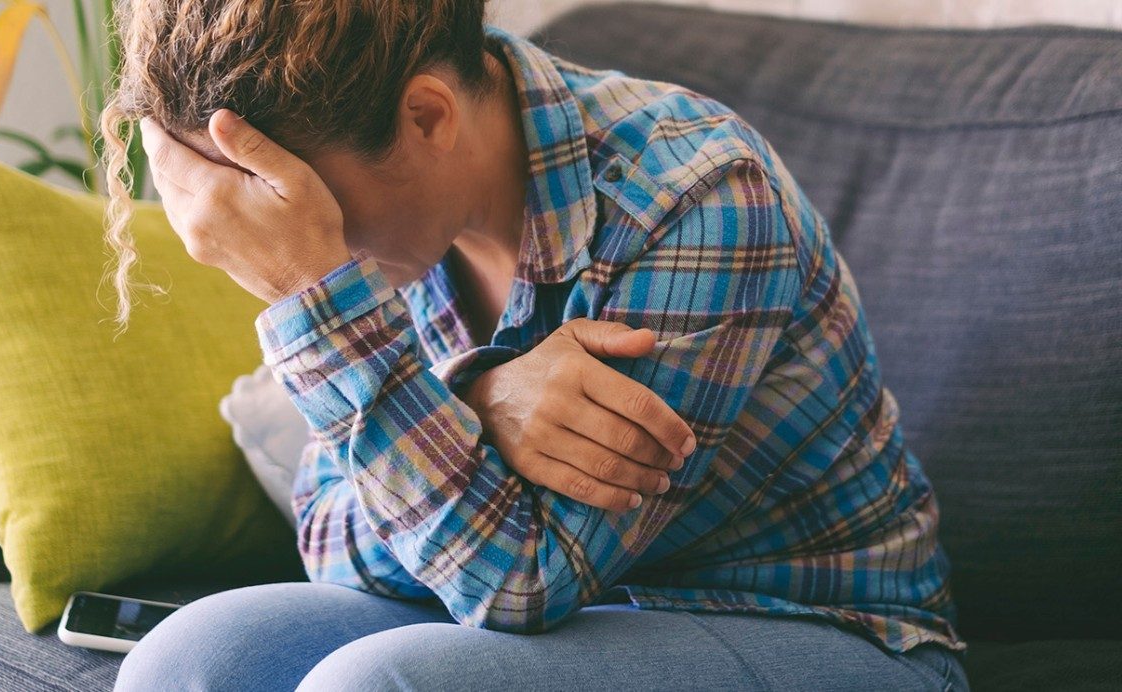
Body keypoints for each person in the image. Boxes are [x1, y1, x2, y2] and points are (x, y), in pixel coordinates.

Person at [101, 1, 968, 689]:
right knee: (187, 664)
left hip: (817, 633)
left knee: (383, 684)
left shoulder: (694, 199)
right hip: (572, 618)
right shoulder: (406, 218)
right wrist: (477, 396)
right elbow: (329, 537)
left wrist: (313, 292)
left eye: (319, 221)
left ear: (427, 116)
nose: (315, 249)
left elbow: (518, 580)